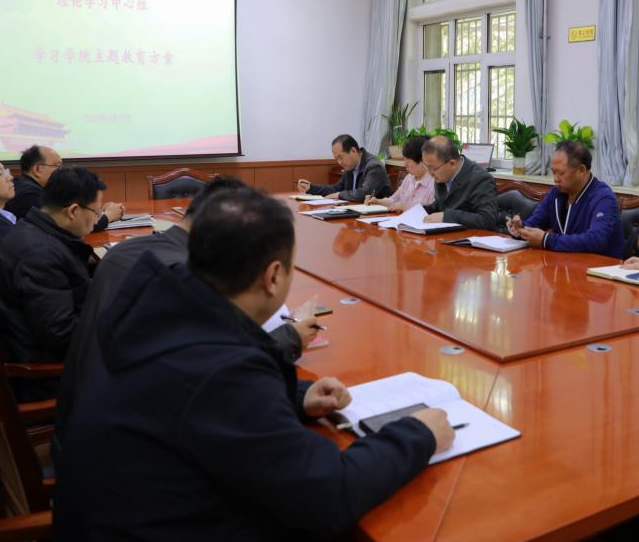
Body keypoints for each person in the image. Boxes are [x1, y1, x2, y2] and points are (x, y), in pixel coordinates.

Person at [54, 188, 454, 540]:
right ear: (274, 276)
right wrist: (417, 434)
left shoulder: (160, 307)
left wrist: (296, 396)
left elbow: (192, 402)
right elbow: (326, 496)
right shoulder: (223, 368)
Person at [54, 177, 324, 444]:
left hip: (80, 419)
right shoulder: (186, 278)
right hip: (129, 444)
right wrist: (289, 338)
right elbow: (215, 373)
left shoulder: (122, 251)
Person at [0, 166, 106, 401]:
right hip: (48, 377)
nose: (96, 220)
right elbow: (62, 335)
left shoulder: (31, 230)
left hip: (39, 350)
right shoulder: (39, 255)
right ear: (73, 211)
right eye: (96, 212)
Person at [507, 140, 624, 258]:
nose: (555, 179)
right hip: (564, 264)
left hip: (600, 266)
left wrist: (547, 240)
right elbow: (534, 223)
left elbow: (596, 240)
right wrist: (519, 229)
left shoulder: (603, 197)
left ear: (581, 170)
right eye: (553, 172)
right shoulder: (556, 192)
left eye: (561, 173)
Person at [5, 144, 124, 229]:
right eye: (57, 166)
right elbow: (67, 225)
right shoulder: (29, 194)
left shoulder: (29, 186)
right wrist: (108, 216)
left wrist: (95, 211)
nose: (62, 171)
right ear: (37, 169)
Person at [420, 136, 498, 230]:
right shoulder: (442, 174)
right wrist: (418, 211)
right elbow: (439, 206)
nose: (430, 173)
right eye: (427, 167)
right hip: (445, 234)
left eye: (432, 168)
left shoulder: (480, 179)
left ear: (452, 164)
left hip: (471, 236)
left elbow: (488, 220)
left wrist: (447, 216)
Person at [297, 134, 391, 201]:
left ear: (353, 151)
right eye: (336, 159)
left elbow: (365, 193)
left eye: (340, 157)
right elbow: (336, 188)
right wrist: (311, 188)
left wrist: (339, 195)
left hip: (377, 216)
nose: (339, 162)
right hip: (355, 212)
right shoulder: (350, 167)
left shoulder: (374, 166)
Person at [365, 135, 435, 211]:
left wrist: (406, 208)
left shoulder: (433, 184)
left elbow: (432, 213)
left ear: (423, 161)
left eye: (408, 162)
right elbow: (393, 200)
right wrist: (377, 201)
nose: (405, 165)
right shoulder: (409, 178)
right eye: (404, 161)